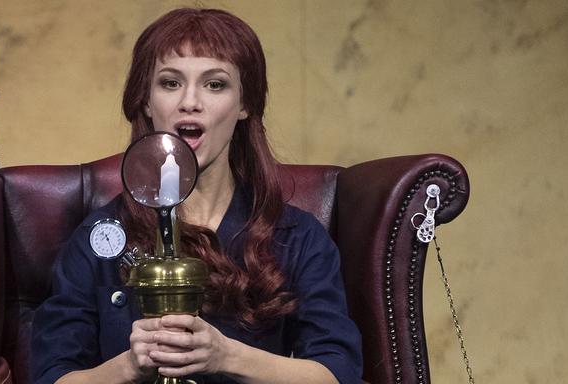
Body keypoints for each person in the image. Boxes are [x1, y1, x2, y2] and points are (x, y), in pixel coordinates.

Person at [30, 8, 362, 384]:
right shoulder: (102, 237)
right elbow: (51, 375)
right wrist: (129, 366)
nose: (190, 102)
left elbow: (339, 372)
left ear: (244, 105)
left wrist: (227, 355)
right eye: (170, 83)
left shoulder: (295, 237)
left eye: (215, 84)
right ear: (145, 101)